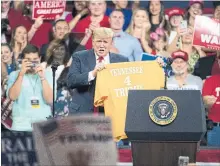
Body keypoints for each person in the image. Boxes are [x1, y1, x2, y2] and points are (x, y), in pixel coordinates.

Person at [67, 27, 128, 113]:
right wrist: (92, 74)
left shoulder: (122, 60)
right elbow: (71, 81)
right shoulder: (79, 57)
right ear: (93, 42)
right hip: (82, 112)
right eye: (99, 41)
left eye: (105, 42)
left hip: (110, 112)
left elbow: (127, 84)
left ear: (111, 43)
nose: (101, 45)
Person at [7, 44, 54, 131]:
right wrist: (21, 74)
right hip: (20, 126)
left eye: (35, 60)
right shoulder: (14, 75)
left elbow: (50, 100)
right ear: (23, 60)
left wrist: (42, 78)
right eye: (28, 60)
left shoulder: (48, 74)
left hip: (43, 125)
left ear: (39, 59)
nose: (32, 63)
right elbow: (12, 97)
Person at [202, 74, 220, 146]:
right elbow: (205, 104)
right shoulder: (210, 80)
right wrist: (207, 102)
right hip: (215, 127)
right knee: (213, 156)